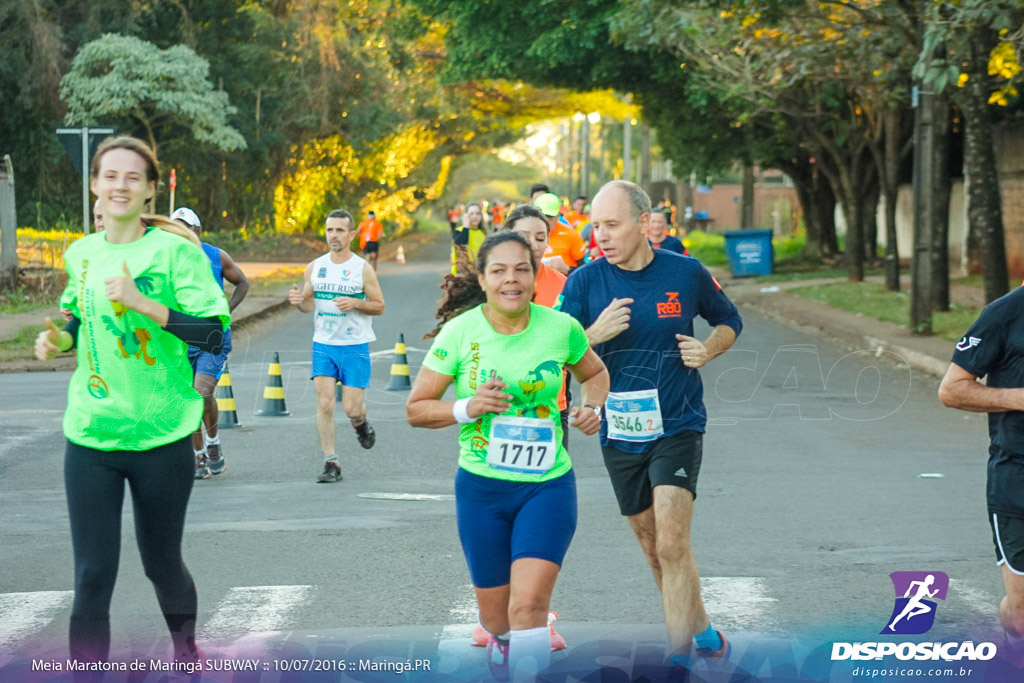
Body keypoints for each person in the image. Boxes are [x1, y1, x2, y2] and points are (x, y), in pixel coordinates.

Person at [34, 136, 229, 667]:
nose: (119, 185)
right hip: (92, 434)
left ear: (149, 192)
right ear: (95, 186)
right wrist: (61, 340)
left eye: (132, 177)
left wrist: (145, 303)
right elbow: (78, 317)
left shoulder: (175, 254)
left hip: (163, 434)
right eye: (110, 175)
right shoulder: (82, 254)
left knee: (161, 564)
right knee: (93, 572)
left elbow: (212, 336)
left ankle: (187, 655)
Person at [557, 179, 742, 671]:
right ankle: (701, 630)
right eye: (595, 226)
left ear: (644, 224)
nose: (601, 235)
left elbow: (729, 320)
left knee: (671, 541)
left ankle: (678, 664)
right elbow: (552, 355)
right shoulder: (584, 283)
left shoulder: (686, 272)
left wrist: (709, 348)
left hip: (678, 423)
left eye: (612, 224)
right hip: (619, 430)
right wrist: (591, 337)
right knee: (652, 547)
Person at [407, 231, 609, 680]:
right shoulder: (459, 333)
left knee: (529, 606)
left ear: (536, 275)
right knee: (499, 620)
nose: (511, 280)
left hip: (547, 486)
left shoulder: (561, 328)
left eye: (521, 269)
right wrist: (468, 406)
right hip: (482, 490)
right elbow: (416, 409)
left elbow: (595, 373)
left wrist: (593, 408)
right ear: (482, 279)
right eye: (498, 271)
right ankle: (504, 649)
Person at [938, 289, 1024, 654]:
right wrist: (1016, 398)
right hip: (1018, 479)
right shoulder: (1005, 314)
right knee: (1021, 615)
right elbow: (952, 390)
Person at [289, 209, 384, 483]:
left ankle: (360, 424)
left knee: (353, 408)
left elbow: (380, 306)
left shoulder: (362, 269)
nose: (334, 235)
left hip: (354, 345)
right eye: (330, 230)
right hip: (324, 344)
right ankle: (332, 462)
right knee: (324, 403)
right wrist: (299, 302)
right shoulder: (315, 266)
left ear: (352, 234)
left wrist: (357, 303)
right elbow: (308, 304)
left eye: (340, 230)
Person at [170, 207, 250, 480]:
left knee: (199, 394)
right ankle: (199, 455)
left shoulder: (216, 256)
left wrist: (226, 312)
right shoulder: (167, 261)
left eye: (184, 227)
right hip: (181, 341)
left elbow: (242, 282)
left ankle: (213, 443)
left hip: (213, 338)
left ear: (196, 230)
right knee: (189, 399)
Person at [534, 193, 586, 276]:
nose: (546, 221)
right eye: (542, 217)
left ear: (558, 215)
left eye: (550, 217)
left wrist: (567, 269)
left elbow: (587, 271)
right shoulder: (525, 236)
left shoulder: (571, 235)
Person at [452, 202, 488, 274]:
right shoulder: (460, 230)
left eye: (477, 213)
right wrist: (466, 226)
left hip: (480, 272)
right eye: (471, 214)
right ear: (466, 216)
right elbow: (462, 243)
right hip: (464, 272)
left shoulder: (484, 233)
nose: (475, 216)